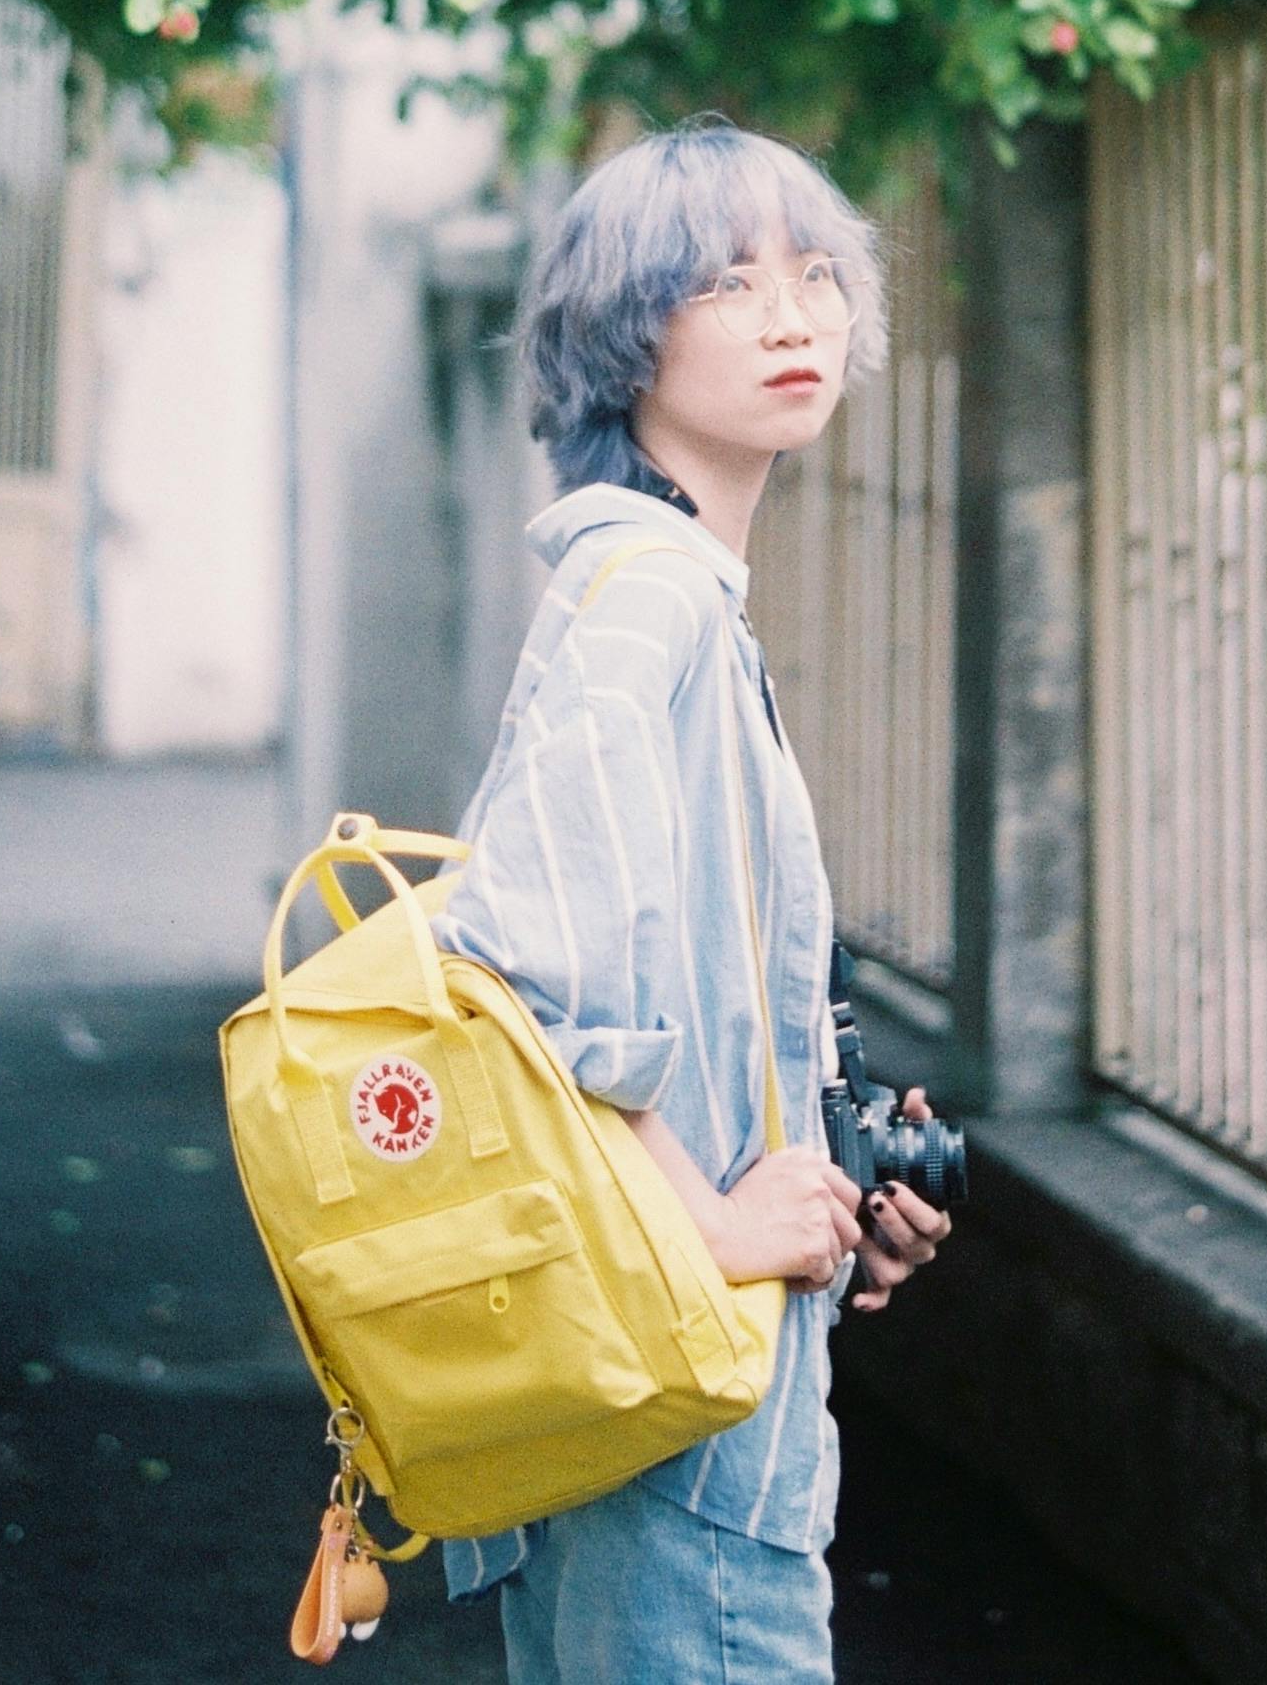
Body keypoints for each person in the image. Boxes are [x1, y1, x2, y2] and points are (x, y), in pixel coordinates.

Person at [435, 116, 952, 1685]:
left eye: (817, 275)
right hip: (681, 1446)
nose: (794, 315)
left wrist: (824, 1202)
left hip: (669, 1415)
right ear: (623, 333)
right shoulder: (645, 601)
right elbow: (520, 973)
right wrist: (720, 1223)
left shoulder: (678, 599)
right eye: (727, 282)